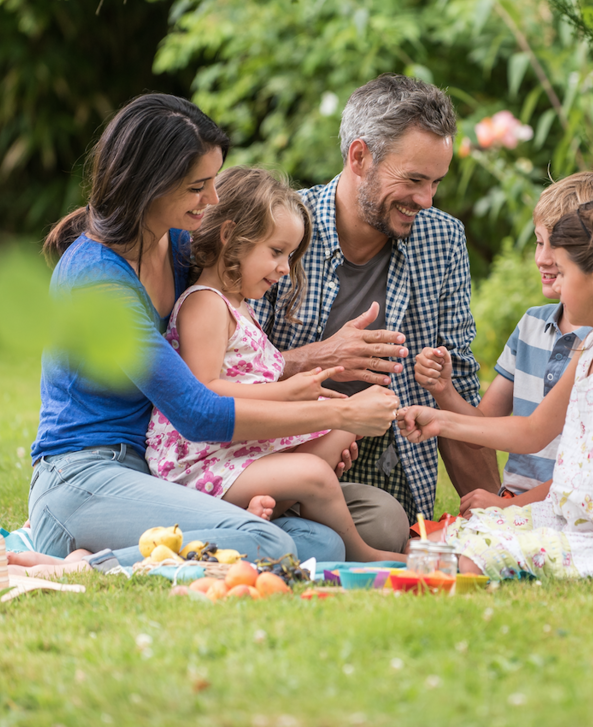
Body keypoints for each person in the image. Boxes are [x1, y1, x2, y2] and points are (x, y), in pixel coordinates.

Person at [28, 93, 400, 568]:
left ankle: (190, 535)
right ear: (148, 184)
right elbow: (197, 411)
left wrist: (320, 364)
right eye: (197, 186)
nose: (213, 199)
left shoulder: (179, 249)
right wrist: (339, 416)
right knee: (270, 546)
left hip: (158, 474)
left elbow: (232, 362)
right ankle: (83, 564)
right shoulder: (97, 279)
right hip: (83, 477)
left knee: (323, 545)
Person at [397, 198, 593, 589]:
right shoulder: (591, 350)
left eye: (565, 272)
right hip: (568, 517)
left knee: (455, 565)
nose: (556, 283)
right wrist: (440, 420)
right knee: (429, 547)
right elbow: (532, 431)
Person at [250, 74, 498, 543]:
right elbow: (224, 378)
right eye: (414, 180)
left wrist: (499, 522)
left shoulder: (442, 240)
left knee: (385, 525)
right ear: (359, 157)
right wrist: (319, 358)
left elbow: (459, 391)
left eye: (436, 183)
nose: (425, 201)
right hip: (269, 459)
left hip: (385, 471)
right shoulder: (278, 228)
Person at [145, 167, 405, 563]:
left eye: (290, 255)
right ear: (230, 237)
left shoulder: (240, 308)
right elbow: (203, 391)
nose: (285, 269)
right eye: (276, 252)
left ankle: (260, 513)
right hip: (200, 463)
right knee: (315, 473)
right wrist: (287, 392)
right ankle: (362, 553)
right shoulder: (205, 304)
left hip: (236, 452)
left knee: (342, 428)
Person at [413, 172, 593, 513]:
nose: (543, 258)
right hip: (516, 502)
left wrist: (511, 507)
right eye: (539, 242)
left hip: (568, 506)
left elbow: (586, 473)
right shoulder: (531, 326)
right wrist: (443, 390)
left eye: (557, 247)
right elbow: (486, 428)